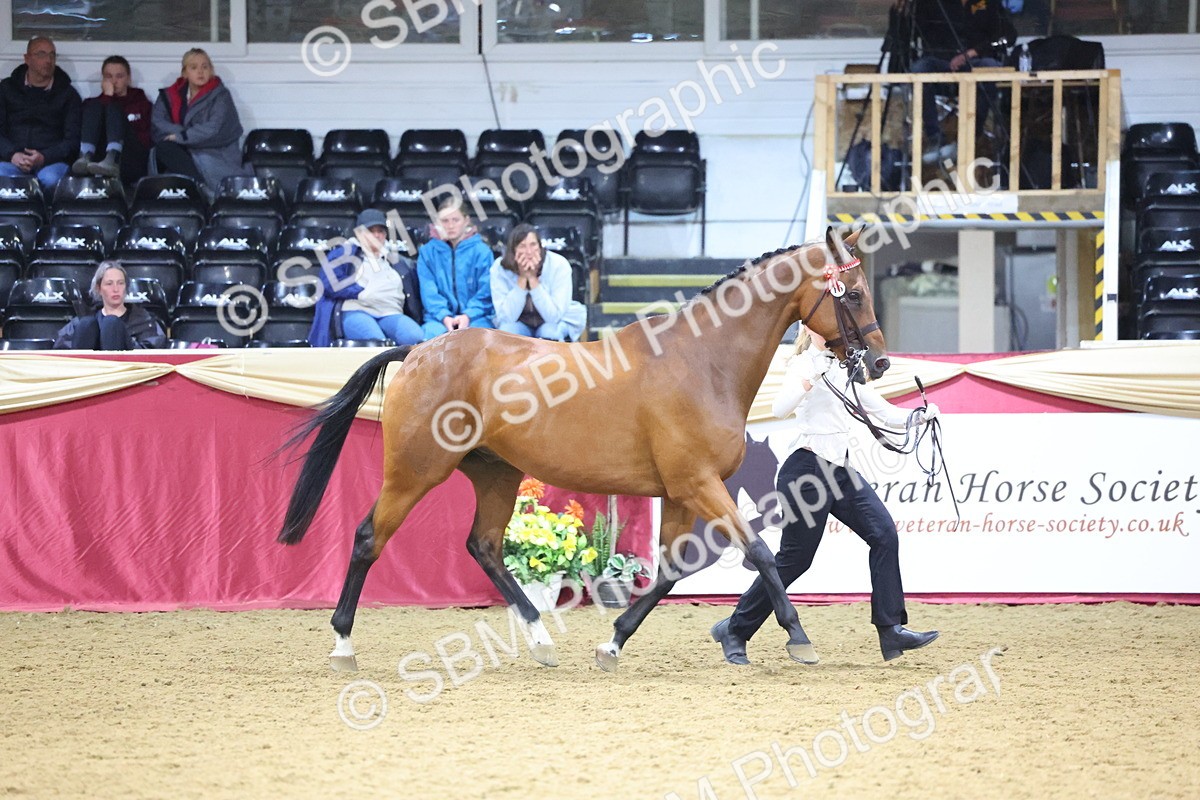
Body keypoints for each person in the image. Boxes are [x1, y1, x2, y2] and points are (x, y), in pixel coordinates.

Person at [710, 327, 941, 665]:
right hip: (805, 470)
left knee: (884, 534)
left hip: (841, 471)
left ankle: (890, 630)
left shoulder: (844, 368)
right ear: (808, 331)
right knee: (795, 559)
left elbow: (879, 410)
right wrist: (812, 374)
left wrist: (918, 418)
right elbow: (779, 407)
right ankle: (735, 628)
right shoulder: (805, 364)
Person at [906, 0, 1017, 161]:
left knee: (990, 67)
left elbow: (1009, 35)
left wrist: (973, 52)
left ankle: (972, 135)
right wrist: (900, 13)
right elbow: (912, 32)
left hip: (977, 62)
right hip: (940, 64)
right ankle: (934, 137)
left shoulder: (989, 2)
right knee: (919, 69)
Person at [308, 209, 424, 347]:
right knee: (376, 343)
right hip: (356, 310)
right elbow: (329, 283)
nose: (376, 235)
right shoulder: (344, 253)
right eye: (370, 231)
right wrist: (362, 292)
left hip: (390, 312)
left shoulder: (399, 261)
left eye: (380, 231)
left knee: (415, 338)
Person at [150, 48, 247, 191]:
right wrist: (180, 136)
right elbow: (158, 123)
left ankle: (199, 188)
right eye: (194, 67)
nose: (200, 71)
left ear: (211, 70)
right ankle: (198, 187)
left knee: (175, 151)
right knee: (164, 148)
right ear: (185, 73)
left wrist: (180, 136)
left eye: (205, 67)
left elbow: (214, 129)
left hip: (214, 153)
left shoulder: (222, 96)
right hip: (185, 152)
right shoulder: (168, 95)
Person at [0, 36, 81, 192]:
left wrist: (44, 157)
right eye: (41, 54)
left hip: (51, 162)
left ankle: (45, 217)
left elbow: (72, 141)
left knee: (51, 180)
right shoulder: (6, 89)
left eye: (52, 55)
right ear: (27, 59)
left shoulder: (68, 95)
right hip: (11, 160)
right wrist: (13, 155)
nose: (48, 60)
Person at [491, 223, 586, 342]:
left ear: (540, 247)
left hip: (553, 322)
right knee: (506, 333)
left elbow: (553, 317)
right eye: (522, 246)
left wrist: (533, 280)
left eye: (533, 245)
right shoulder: (499, 269)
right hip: (519, 323)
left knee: (549, 334)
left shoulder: (559, 265)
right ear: (513, 251)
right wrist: (522, 279)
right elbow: (507, 318)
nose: (529, 252)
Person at [416, 197, 495, 340]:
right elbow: (429, 293)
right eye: (445, 221)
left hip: (476, 318)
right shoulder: (427, 253)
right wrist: (444, 317)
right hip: (438, 320)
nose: (450, 226)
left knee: (480, 339)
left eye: (455, 220)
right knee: (430, 338)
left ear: (466, 220)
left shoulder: (482, 252)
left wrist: (467, 316)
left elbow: (486, 293)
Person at [71, 56, 152, 183]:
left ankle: (112, 158)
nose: (114, 81)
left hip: (130, 158)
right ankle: (85, 156)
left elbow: (146, 139)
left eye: (119, 76)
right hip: (97, 160)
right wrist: (107, 98)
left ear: (128, 79)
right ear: (103, 80)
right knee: (94, 105)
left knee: (114, 109)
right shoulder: (92, 105)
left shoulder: (142, 103)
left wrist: (110, 100)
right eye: (109, 76)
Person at [53, 260, 167, 350]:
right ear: (99, 289)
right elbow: (60, 351)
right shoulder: (83, 319)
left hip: (128, 375)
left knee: (111, 324)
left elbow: (154, 354)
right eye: (109, 284)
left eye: (120, 283)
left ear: (126, 288)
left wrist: (124, 340)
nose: (116, 289)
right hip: (90, 376)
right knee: (87, 324)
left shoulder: (144, 321)